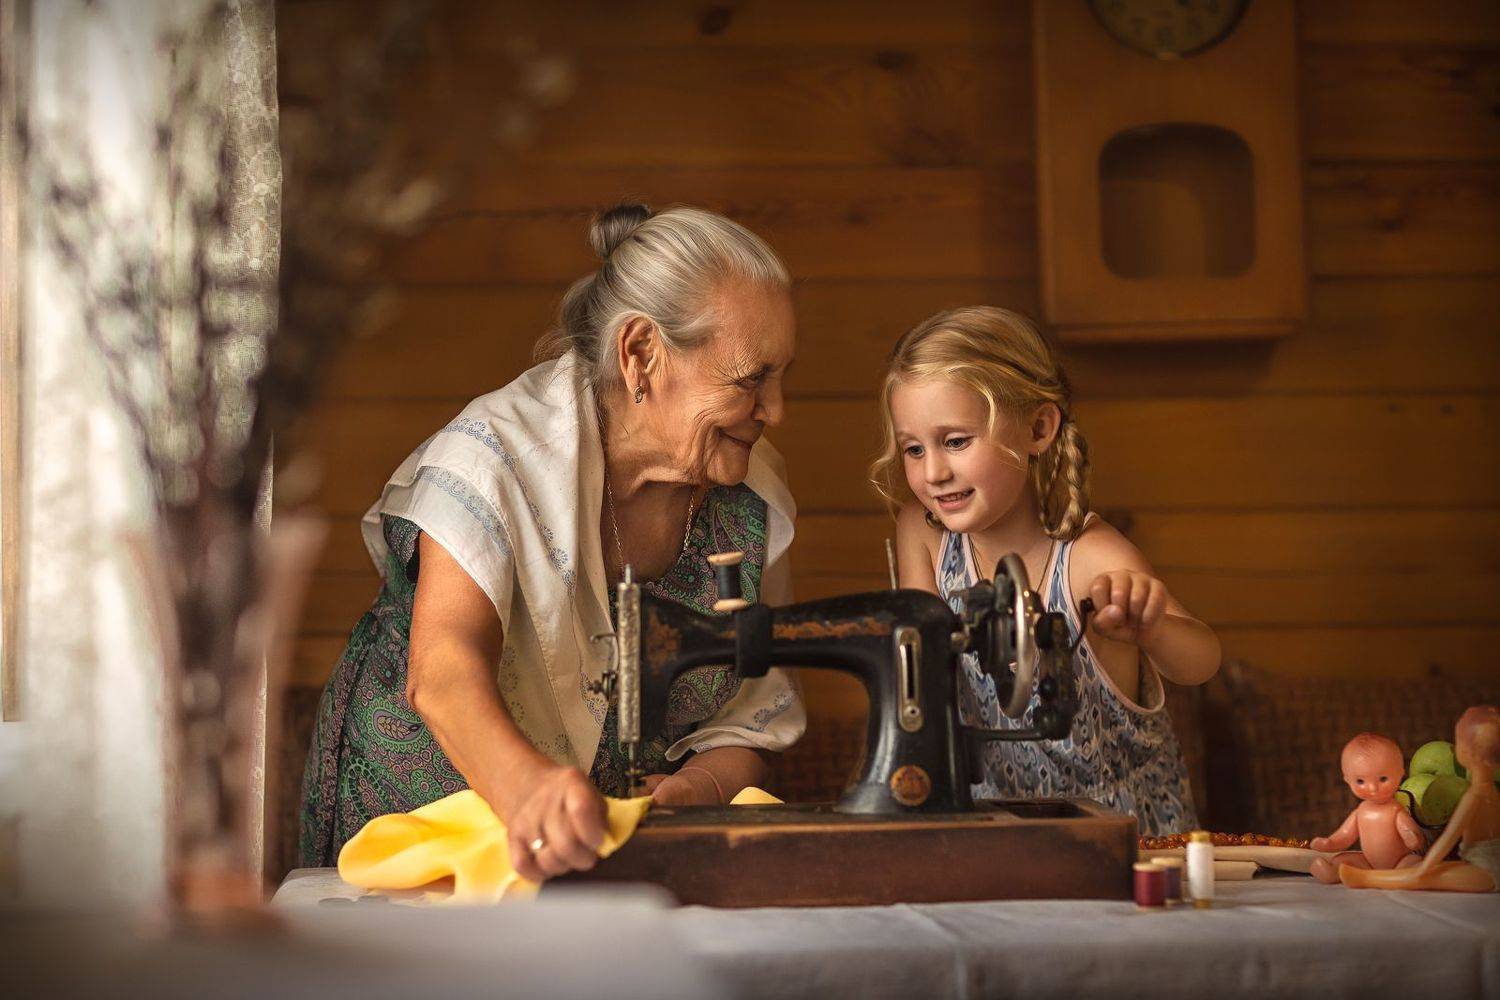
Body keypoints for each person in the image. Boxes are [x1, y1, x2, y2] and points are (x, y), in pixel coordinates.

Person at [299, 203, 806, 882]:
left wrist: (702, 788)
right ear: (640, 355)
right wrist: (528, 793)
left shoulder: (749, 495)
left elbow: (752, 713)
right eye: (750, 380)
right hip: (430, 826)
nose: (776, 410)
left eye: (781, 378)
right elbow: (444, 670)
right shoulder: (493, 458)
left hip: (601, 853)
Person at [872, 306, 1220, 836]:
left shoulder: (1091, 558)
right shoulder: (925, 536)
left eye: (956, 441)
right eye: (914, 449)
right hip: (995, 834)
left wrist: (1152, 629)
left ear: (1038, 427)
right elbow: (923, 675)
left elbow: (1202, 662)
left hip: (1125, 838)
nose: (933, 472)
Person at [1342, 705, 1500, 892]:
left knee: (1428, 878)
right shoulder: (1492, 792)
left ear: (1467, 754)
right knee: (1439, 871)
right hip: (1479, 862)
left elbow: (1448, 839)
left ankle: (1367, 878)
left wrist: (1424, 869)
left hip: (1487, 873)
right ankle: (1367, 877)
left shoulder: (1474, 796)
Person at [1308, 733, 1425, 883]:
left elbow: (1413, 836)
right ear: (1347, 780)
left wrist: (1413, 837)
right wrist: (1330, 843)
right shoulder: (1361, 812)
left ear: (1400, 773)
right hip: (1368, 864)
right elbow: (1345, 835)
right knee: (1343, 859)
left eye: (1383, 779)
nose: (1373, 788)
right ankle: (1331, 872)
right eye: (1360, 781)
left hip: (1400, 863)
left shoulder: (1395, 810)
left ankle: (1401, 876)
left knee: (1414, 861)